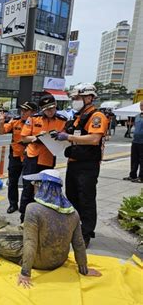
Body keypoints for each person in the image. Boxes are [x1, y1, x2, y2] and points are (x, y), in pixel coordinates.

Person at [0, 170, 102, 288]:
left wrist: (25, 273)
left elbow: (30, 242)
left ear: (42, 186)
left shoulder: (33, 209)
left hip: (39, 262)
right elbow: (79, 243)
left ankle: (26, 262)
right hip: (59, 261)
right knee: (22, 231)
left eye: (35, 183)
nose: (33, 186)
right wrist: (84, 268)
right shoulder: (73, 213)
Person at [54, 83, 109, 247]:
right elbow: (69, 135)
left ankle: (86, 233)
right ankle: (74, 229)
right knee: (72, 198)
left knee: (86, 199)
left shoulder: (97, 116)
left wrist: (68, 137)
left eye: (77, 98)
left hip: (88, 166)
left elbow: (94, 139)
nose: (74, 101)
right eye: (74, 98)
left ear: (89, 98)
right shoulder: (78, 117)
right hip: (74, 164)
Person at [19, 94, 67, 222]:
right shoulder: (34, 119)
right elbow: (24, 138)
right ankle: (24, 218)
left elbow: (66, 138)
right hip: (32, 157)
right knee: (28, 188)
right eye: (46, 109)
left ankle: (43, 218)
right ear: (42, 109)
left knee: (46, 189)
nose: (50, 111)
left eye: (52, 108)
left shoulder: (62, 121)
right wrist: (35, 138)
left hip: (48, 158)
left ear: (56, 106)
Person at [0, 101, 38, 214]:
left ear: (33, 112)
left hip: (29, 156)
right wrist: (1, 123)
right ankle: (13, 204)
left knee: (28, 183)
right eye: (22, 110)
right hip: (15, 156)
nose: (22, 113)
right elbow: (1, 132)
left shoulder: (37, 123)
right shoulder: (15, 121)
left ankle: (26, 206)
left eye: (26, 111)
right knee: (13, 181)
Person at [123, 101, 143, 183]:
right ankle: (132, 175)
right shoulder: (137, 116)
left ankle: (141, 177)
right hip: (135, 141)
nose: (142, 106)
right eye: (141, 105)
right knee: (134, 159)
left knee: (142, 160)